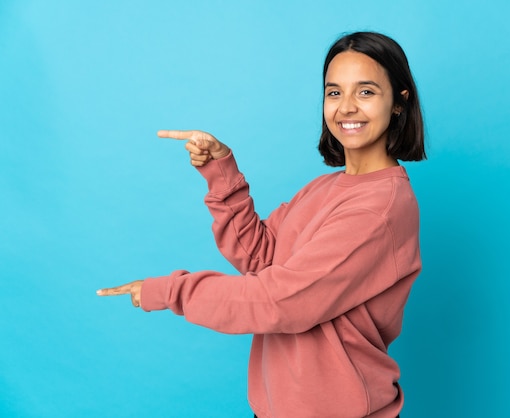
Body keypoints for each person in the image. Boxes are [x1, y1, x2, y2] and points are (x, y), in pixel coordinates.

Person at [98, 31, 426, 418]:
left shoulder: (380, 209)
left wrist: (172, 291)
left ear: (399, 102)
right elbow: (262, 258)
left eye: (366, 92)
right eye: (334, 92)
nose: (346, 108)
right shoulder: (326, 188)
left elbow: (279, 301)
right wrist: (221, 172)